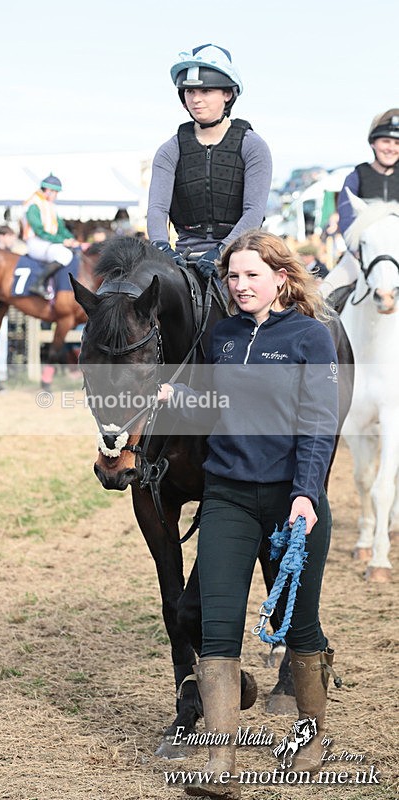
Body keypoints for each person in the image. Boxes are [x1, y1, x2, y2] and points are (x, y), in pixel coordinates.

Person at [158, 230, 339, 797]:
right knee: (217, 627)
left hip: (293, 502)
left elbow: (318, 422)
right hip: (228, 497)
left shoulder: (312, 337)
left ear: (281, 278)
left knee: (301, 625)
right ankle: (220, 764)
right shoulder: (223, 336)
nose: (239, 286)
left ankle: (310, 739)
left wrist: (307, 494)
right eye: (232, 277)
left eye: (251, 275)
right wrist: (178, 397)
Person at [147, 44, 272, 280]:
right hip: (183, 255)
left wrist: (221, 252)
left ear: (227, 94)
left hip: (243, 254)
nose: (196, 99)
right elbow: (157, 209)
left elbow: (253, 212)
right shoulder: (169, 150)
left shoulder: (254, 146)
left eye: (206, 92)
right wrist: (162, 248)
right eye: (190, 92)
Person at [320, 108, 399, 298]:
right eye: (385, 141)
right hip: (360, 255)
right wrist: (356, 250)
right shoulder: (357, 176)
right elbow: (346, 219)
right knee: (323, 294)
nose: (391, 148)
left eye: (397, 143)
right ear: (373, 143)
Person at [22, 174, 78, 298]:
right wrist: (63, 240)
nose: (56, 195)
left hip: (47, 241)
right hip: (36, 242)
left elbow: (61, 227)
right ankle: (38, 283)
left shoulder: (50, 205)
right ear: (48, 190)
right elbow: (39, 231)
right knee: (65, 254)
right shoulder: (33, 205)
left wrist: (72, 239)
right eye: (55, 192)